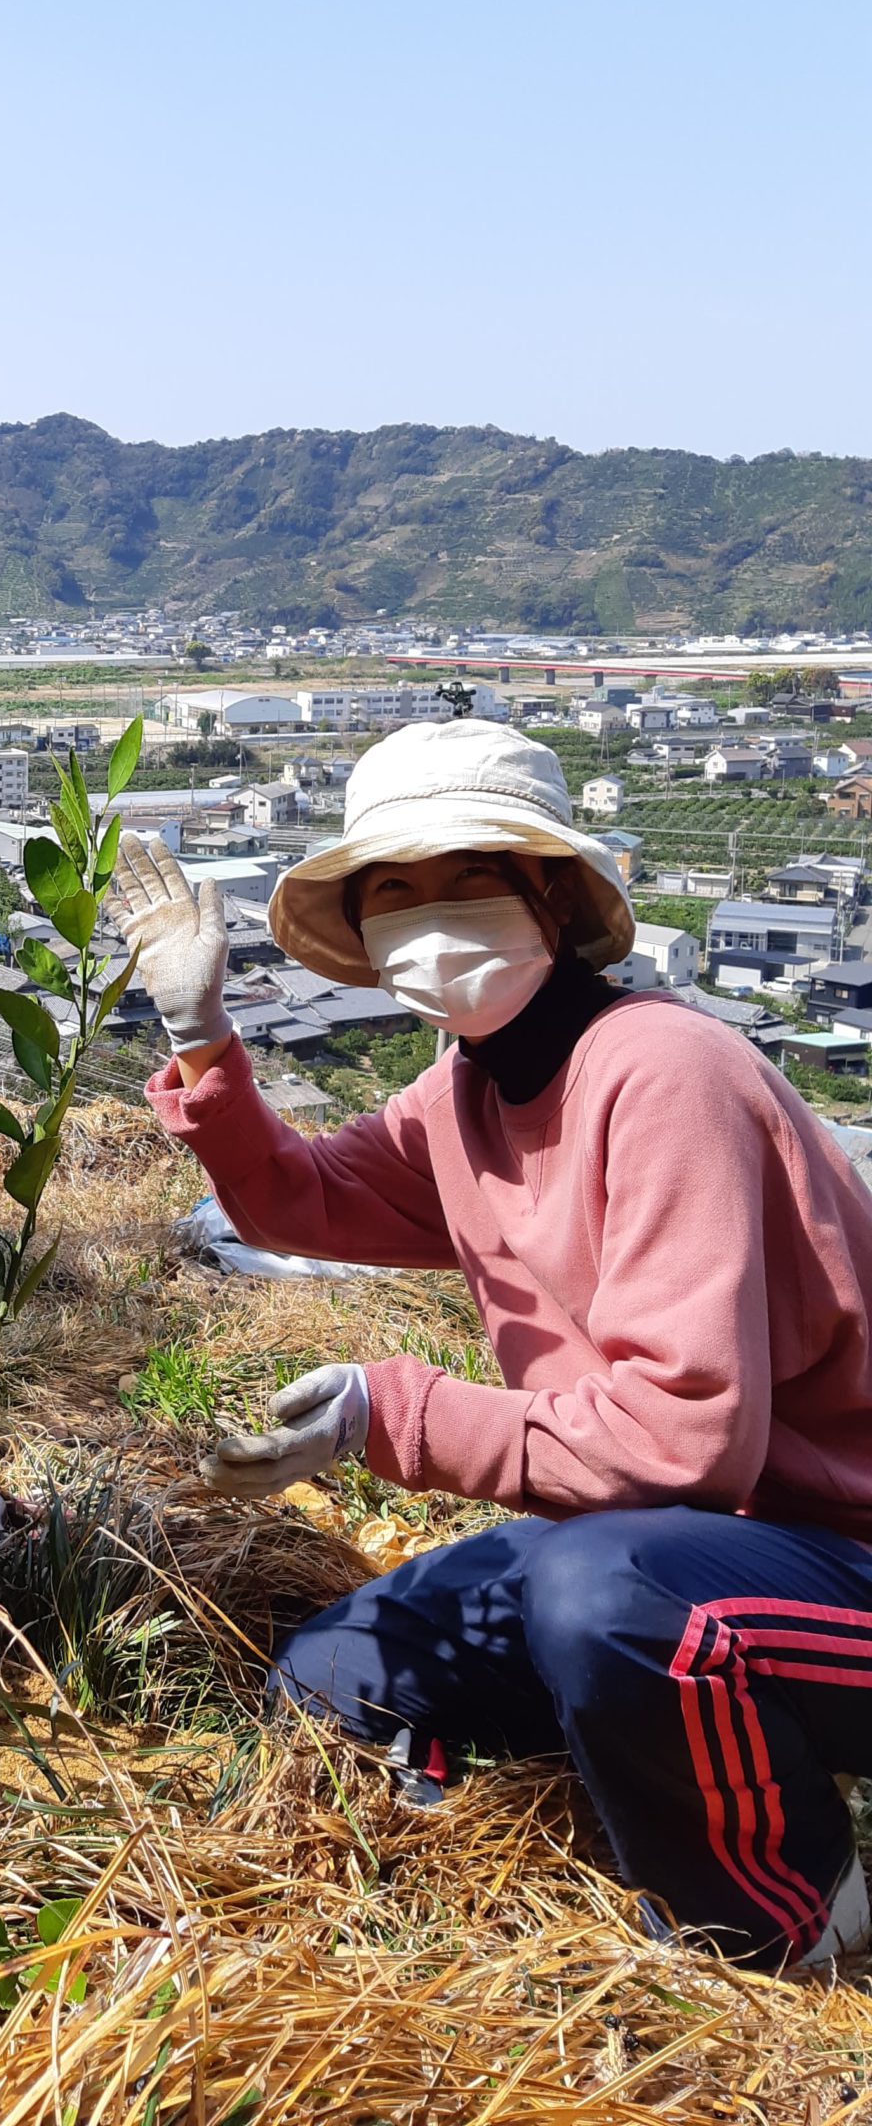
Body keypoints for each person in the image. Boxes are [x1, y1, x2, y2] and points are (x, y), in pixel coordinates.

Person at [113, 715, 872, 1969]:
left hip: (820, 1557)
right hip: (685, 1547)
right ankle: (642, 1770)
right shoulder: (466, 1096)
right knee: (340, 1671)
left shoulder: (662, 1071)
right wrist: (204, 1039)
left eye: (470, 877)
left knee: (608, 1599)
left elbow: (685, 1447)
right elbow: (301, 1199)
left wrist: (386, 1413)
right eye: (394, 892)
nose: (432, 916)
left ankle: (787, 1918)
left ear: (551, 899)